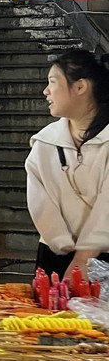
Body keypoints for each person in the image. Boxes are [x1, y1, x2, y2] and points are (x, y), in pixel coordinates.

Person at [26, 49, 109, 277]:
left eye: (52, 82)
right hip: (55, 256)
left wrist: (84, 255)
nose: (46, 91)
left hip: (102, 258)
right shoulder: (45, 142)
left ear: (80, 87)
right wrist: (63, 244)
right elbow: (40, 202)